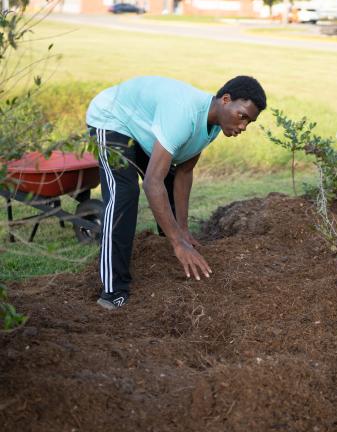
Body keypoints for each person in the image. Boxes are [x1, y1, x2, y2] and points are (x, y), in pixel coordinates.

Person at [86, 75, 267, 310]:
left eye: (249, 122)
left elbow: (184, 173)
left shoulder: (213, 125)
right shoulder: (184, 115)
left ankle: (166, 255)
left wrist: (182, 229)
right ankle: (113, 290)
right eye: (242, 116)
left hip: (141, 127)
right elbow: (151, 183)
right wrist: (178, 243)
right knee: (124, 194)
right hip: (112, 118)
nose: (243, 126)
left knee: (169, 181)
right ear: (225, 100)